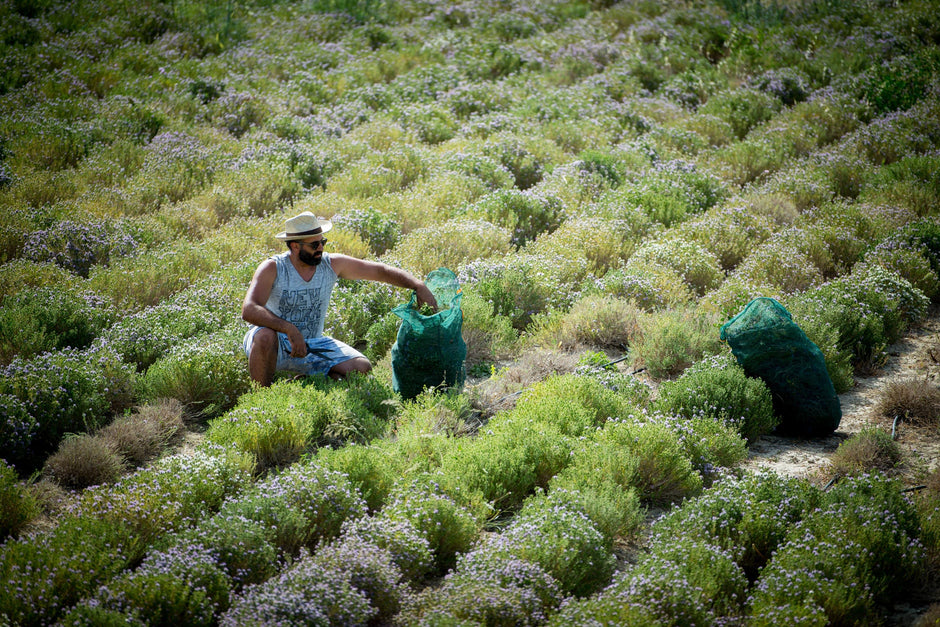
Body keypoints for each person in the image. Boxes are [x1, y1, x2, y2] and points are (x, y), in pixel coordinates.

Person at [242, 211, 437, 386]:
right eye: (314, 244)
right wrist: (289, 329)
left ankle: (308, 382)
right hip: (277, 343)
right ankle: (262, 400)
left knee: (362, 368)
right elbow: (249, 309)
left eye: (322, 242)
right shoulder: (273, 268)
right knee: (264, 335)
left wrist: (418, 286)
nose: (320, 248)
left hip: (312, 344)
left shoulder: (331, 265)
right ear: (294, 246)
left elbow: (380, 271)